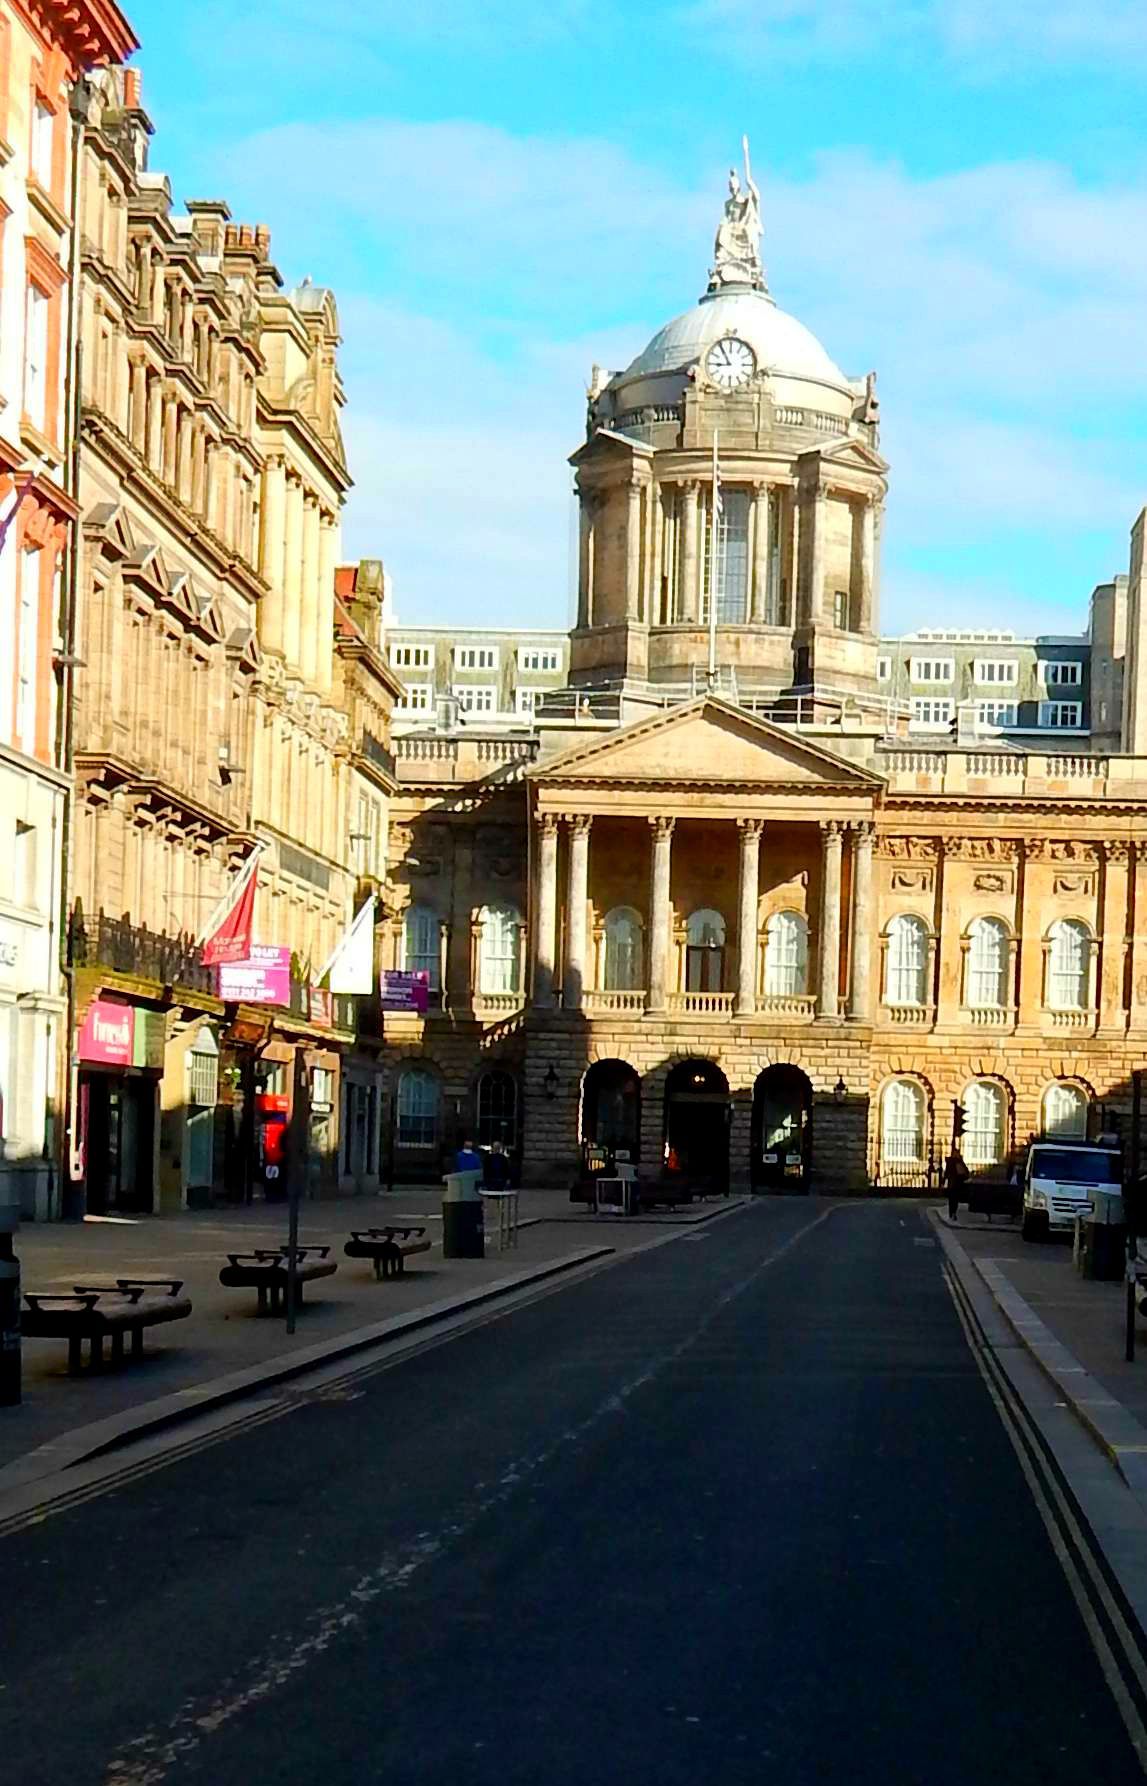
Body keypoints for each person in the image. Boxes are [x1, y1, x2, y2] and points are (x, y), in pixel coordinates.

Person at [944, 1149, 969, 1221]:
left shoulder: (960, 1162)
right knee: (952, 1199)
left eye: (957, 1153)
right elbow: (947, 1172)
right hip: (952, 1183)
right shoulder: (950, 1162)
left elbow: (966, 1172)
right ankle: (951, 1213)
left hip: (958, 1183)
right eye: (955, 1153)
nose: (956, 1155)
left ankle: (953, 1213)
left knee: (955, 1199)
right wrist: (944, 1180)